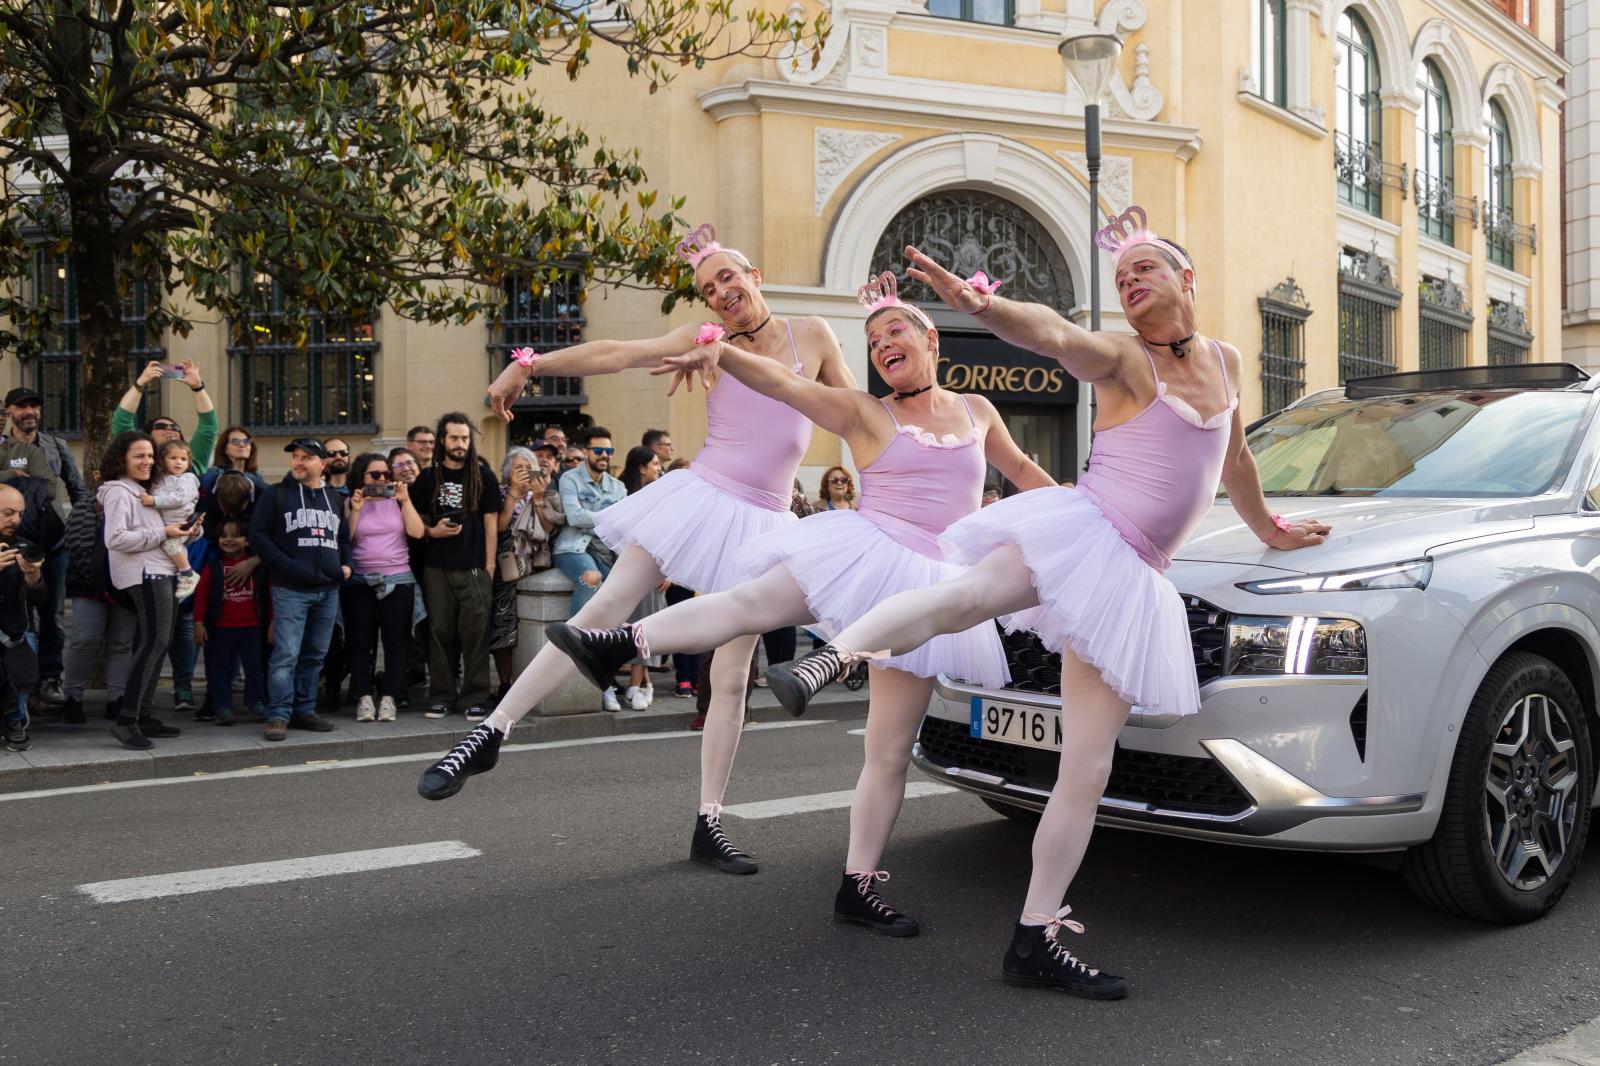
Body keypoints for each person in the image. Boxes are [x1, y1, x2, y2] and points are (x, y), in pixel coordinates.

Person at [753, 215, 1333, 998]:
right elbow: (1057, 335)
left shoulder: (1227, 363)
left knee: (1086, 770)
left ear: (1187, 280)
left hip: (1132, 578)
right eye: (1121, 275)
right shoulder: (1124, 357)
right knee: (965, 596)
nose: (1129, 282)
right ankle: (836, 656)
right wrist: (981, 305)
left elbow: (1236, 461)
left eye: (1144, 268)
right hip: (1086, 528)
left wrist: (1271, 527)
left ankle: (1035, 937)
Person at [550, 271, 1045, 906]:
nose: (883, 343)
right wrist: (720, 348)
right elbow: (781, 381)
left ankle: (858, 885)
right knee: (746, 605)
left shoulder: (978, 411)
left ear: (931, 341)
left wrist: (1081, 522)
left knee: (888, 750)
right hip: (861, 553)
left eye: (895, 330)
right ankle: (618, 642)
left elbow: (1025, 470)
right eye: (872, 340)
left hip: (931, 583)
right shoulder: (865, 410)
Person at [417, 221, 856, 882]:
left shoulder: (814, 335)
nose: (722, 293)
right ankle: (489, 734)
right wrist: (529, 363)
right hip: (702, 497)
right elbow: (616, 352)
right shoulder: (704, 339)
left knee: (732, 675)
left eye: (729, 278)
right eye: (710, 289)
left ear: (754, 275)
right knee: (607, 606)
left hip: (766, 521)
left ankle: (710, 819)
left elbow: (853, 412)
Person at [250, 438, 350, 741]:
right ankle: (278, 714)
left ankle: (305, 710)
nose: (298, 462)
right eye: (295, 457)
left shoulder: (333, 497)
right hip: (290, 589)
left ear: (323, 464)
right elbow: (258, 536)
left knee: (315, 655)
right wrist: (288, 566)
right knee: (285, 655)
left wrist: (346, 566)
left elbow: (343, 537)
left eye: (307, 457)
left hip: (328, 589)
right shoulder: (276, 494)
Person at [98, 431, 191, 750]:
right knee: (153, 641)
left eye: (151, 456)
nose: (147, 461)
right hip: (144, 574)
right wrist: (163, 530)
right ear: (121, 458)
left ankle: (144, 715)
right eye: (139, 455)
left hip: (161, 571)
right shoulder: (118, 492)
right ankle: (126, 720)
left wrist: (184, 531)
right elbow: (116, 538)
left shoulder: (142, 490)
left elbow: (161, 534)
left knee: (159, 643)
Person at [413, 413, 501, 722]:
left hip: (475, 566)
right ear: (442, 440)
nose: (460, 444)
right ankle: (440, 696)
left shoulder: (483, 476)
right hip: (437, 567)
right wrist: (431, 531)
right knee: (439, 633)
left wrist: (490, 564)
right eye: (454, 438)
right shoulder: (427, 477)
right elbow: (416, 521)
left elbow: (492, 522)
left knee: (475, 634)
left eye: (465, 438)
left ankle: (475, 697)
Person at [4, 386, 84, 709]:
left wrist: (79, 532)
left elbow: (77, 489)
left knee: (53, 613)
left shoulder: (56, 446)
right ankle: (25, 681)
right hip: (11, 540)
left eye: (34, 406)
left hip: (53, 541)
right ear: (9, 411)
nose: (30, 411)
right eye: (22, 406)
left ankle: (50, 678)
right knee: (21, 613)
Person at [344, 451, 425, 722]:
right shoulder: (351, 501)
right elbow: (348, 540)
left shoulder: (398, 501)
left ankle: (390, 696)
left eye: (386, 474)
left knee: (396, 642)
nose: (381, 479)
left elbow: (417, 532)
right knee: (360, 642)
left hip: (397, 579)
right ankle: (364, 697)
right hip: (360, 580)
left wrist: (405, 500)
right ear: (361, 476)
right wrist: (355, 510)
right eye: (374, 475)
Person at [62, 470, 134, 726]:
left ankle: (117, 699)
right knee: (84, 640)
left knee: (121, 643)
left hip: (126, 586)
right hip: (88, 586)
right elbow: (77, 545)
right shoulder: (87, 505)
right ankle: (72, 697)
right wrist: (100, 581)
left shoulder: (137, 502)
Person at [193, 517, 269, 727]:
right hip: (220, 628)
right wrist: (198, 623)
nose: (228, 540)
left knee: (254, 668)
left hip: (252, 628)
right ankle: (222, 707)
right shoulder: (212, 567)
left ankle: (256, 703)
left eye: (235, 535)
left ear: (247, 541)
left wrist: (272, 622)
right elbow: (201, 595)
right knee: (219, 669)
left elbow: (268, 596)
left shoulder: (257, 568)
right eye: (223, 536)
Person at [553, 427, 626, 617]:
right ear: (586, 452)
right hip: (573, 547)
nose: (604, 455)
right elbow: (575, 517)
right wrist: (607, 519)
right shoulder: (569, 479)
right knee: (591, 577)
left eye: (609, 451)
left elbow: (622, 523)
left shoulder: (618, 488)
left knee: (619, 594)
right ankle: (574, 639)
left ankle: (600, 641)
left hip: (603, 551)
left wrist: (597, 520)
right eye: (598, 451)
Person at [489, 446, 542, 704]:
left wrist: (540, 497)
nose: (523, 473)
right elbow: (500, 526)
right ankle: (505, 683)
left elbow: (549, 527)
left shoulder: (539, 494)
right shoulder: (499, 493)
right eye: (518, 468)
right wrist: (512, 494)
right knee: (504, 625)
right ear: (508, 472)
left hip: (536, 563)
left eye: (527, 468)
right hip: (507, 565)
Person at [616, 445, 664, 710]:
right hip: (631, 567)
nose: (659, 468)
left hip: (655, 569)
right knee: (634, 627)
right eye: (655, 464)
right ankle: (637, 684)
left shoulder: (659, 494)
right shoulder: (623, 494)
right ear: (641, 467)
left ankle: (638, 684)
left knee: (647, 628)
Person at [0, 485, 45, 752]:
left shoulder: (24, 546)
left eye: (19, 513)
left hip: (15, 631)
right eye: (7, 513)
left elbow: (40, 599)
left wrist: (32, 576)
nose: (15, 520)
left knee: (24, 664)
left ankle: (15, 719)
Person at [144, 439, 201, 600]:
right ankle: (179, 580)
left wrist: (154, 501)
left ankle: (188, 574)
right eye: (173, 458)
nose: (178, 462)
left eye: (183, 459)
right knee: (168, 549)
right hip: (164, 523)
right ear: (162, 460)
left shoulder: (188, 478)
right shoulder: (160, 478)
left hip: (182, 522)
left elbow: (179, 498)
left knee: (171, 544)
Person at [203, 425, 270, 497]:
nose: (242, 445)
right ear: (225, 449)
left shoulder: (256, 476)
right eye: (235, 441)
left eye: (246, 441)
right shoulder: (213, 474)